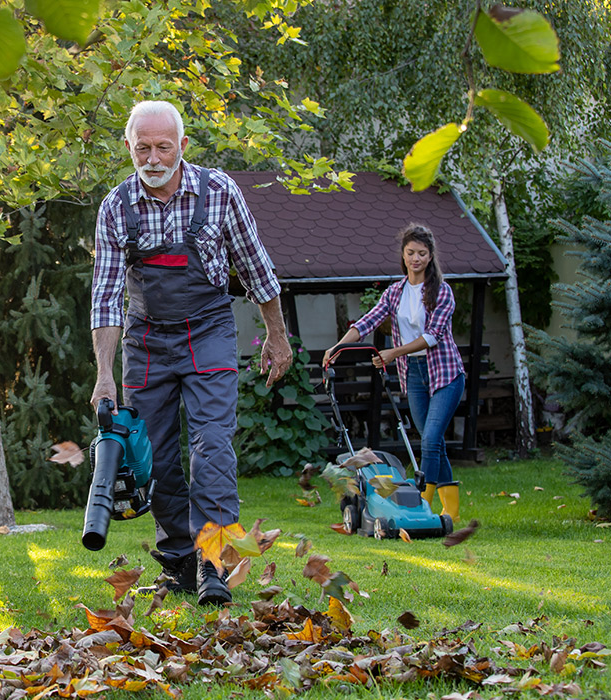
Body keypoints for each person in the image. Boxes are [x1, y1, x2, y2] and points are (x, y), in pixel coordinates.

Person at [90, 100, 293, 605]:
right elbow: (106, 297)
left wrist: (277, 335)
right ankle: (180, 561)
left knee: (213, 445)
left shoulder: (218, 191)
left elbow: (256, 268)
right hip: (146, 340)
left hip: (208, 331)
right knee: (153, 456)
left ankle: (213, 563)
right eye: (142, 148)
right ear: (129, 147)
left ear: (182, 145)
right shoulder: (116, 207)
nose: (153, 158)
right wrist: (104, 374)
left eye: (164, 147)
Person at [322, 223, 465, 522]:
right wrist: (337, 347)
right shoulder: (395, 292)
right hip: (414, 373)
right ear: (403, 255)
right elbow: (366, 322)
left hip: (445, 374)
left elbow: (432, 336)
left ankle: (421, 506)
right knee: (433, 441)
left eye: (422, 253)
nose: (416, 259)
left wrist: (393, 352)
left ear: (430, 256)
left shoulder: (442, 292)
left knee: (430, 440)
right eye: (411, 253)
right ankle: (450, 510)